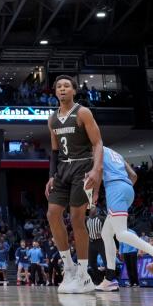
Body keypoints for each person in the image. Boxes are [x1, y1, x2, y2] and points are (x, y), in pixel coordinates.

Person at [45, 75, 104, 294]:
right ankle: (68, 267)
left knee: (77, 218)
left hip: (83, 168)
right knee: (52, 214)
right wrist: (51, 176)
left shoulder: (83, 113)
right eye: (58, 86)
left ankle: (83, 273)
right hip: (62, 170)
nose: (62, 89)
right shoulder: (52, 119)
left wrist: (97, 170)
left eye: (66, 86)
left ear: (74, 91)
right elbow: (53, 151)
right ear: (55, 92)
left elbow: (98, 143)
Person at [97, 147, 153, 292]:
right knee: (106, 234)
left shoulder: (96, 150)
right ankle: (110, 278)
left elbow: (97, 172)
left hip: (115, 189)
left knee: (121, 234)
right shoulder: (115, 153)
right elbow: (134, 175)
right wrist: (123, 188)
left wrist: (94, 195)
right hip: (128, 189)